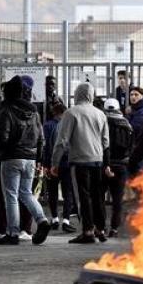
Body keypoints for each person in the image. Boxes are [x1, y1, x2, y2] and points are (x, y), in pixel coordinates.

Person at [0, 76, 51, 246]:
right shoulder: (33, 111)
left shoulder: (6, 110)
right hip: (30, 158)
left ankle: (12, 232)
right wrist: (39, 158)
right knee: (26, 193)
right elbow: (41, 137)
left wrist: (0, 151)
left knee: (10, 195)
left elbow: (2, 136)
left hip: (11, 157)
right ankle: (42, 220)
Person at [52, 82, 111, 244]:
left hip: (79, 161)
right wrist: (106, 163)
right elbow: (106, 142)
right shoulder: (100, 114)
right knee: (98, 195)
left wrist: (55, 162)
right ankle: (100, 229)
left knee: (83, 197)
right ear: (91, 95)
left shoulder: (71, 113)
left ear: (76, 94)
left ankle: (87, 231)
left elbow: (62, 140)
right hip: (98, 160)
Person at [42, 103, 77, 233]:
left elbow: (45, 147)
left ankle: (55, 218)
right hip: (68, 163)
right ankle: (66, 220)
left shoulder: (47, 126)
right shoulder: (71, 125)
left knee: (52, 192)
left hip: (52, 163)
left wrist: (46, 164)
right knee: (68, 192)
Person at [103, 98, 133, 239]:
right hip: (121, 165)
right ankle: (114, 228)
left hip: (105, 164)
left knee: (99, 197)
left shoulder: (102, 122)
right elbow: (131, 146)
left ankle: (100, 227)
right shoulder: (127, 124)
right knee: (117, 200)